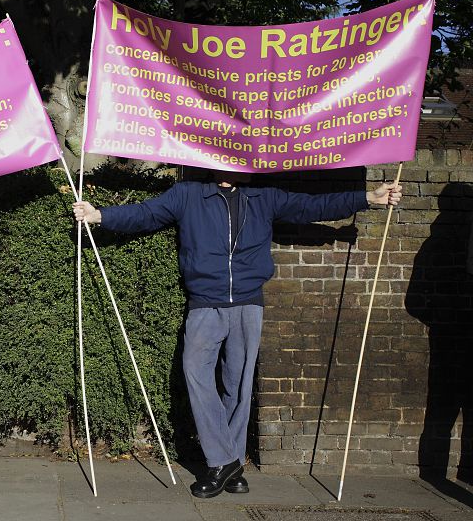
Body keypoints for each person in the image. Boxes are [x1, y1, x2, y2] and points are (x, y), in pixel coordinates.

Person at [73, 171, 402, 499]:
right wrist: (99, 214)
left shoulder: (265, 196)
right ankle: (223, 460)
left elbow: (311, 206)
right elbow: (146, 213)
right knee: (195, 372)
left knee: (238, 385)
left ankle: (230, 469)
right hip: (205, 303)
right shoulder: (188, 194)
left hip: (248, 303)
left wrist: (368, 198)